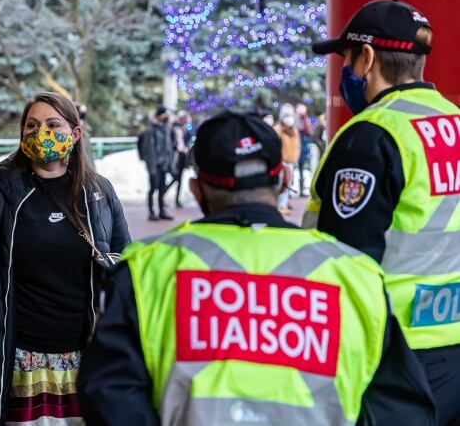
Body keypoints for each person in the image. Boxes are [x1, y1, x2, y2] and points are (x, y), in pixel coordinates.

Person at [78, 110, 436, 426]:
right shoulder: (356, 275)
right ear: (282, 182)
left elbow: (109, 395)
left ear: (197, 190)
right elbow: (401, 408)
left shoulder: (146, 269)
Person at [306, 0, 460, 425]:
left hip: (394, 354)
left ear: (367, 58)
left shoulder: (371, 135)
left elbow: (345, 260)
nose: (345, 71)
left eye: (346, 58)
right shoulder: (455, 121)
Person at [0, 91, 130, 425]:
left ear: (75, 134)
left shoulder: (99, 194)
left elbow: (126, 276)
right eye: (32, 125)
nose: (40, 133)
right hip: (13, 363)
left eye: (53, 124)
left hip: (84, 362)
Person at [138, 104, 175, 221]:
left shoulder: (166, 129)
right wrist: (151, 167)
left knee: (162, 188)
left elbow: (169, 147)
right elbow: (149, 150)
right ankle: (151, 212)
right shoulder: (150, 130)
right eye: (165, 114)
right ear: (159, 115)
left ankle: (162, 211)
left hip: (164, 164)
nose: (167, 116)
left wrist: (169, 163)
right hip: (154, 164)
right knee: (153, 188)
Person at [273, 103, 300, 214]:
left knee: (288, 185)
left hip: (291, 162)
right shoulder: (277, 129)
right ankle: (279, 206)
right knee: (281, 185)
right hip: (281, 162)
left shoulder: (294, 130)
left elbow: (297, 145)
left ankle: (283, 205)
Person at [168, 110, 192, 208]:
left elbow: (187, 140)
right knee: (175, 178)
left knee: (180, 179)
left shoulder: (185, 129)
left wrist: (185, 147)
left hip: (183, 157)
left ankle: (177, 199)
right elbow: (170, 142)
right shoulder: (174, 128)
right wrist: (176, 147)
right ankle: (164, 193)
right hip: (175, 157)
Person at [295, 103, 314, 196]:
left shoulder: (306, 119)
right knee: (295, 170)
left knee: (302, 170)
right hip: (294, 149)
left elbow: (309, 131)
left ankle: (301, 190)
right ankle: (295, 190)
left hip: (303, 148)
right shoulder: (294, 120)